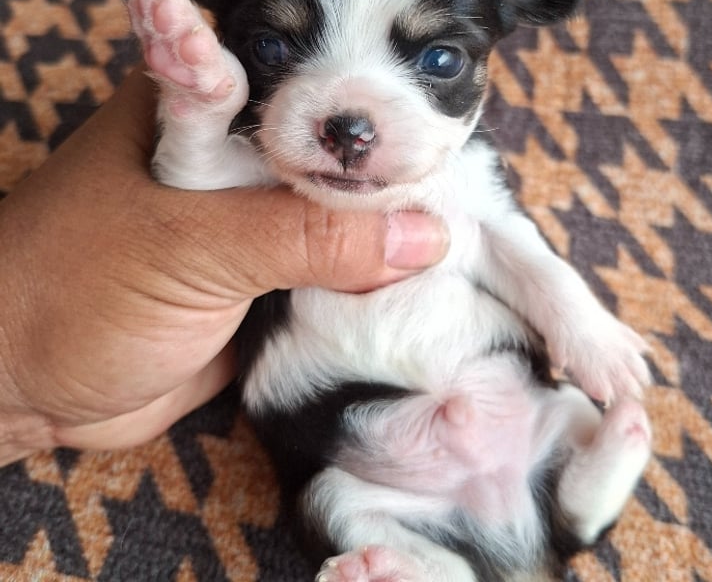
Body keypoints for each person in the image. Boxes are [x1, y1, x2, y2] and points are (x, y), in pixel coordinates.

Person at [0, 68, 449, 467]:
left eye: (439, 62)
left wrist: (23, 406)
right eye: (274, 50)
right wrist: (16, 383)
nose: (350, 136)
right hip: (342, 445)